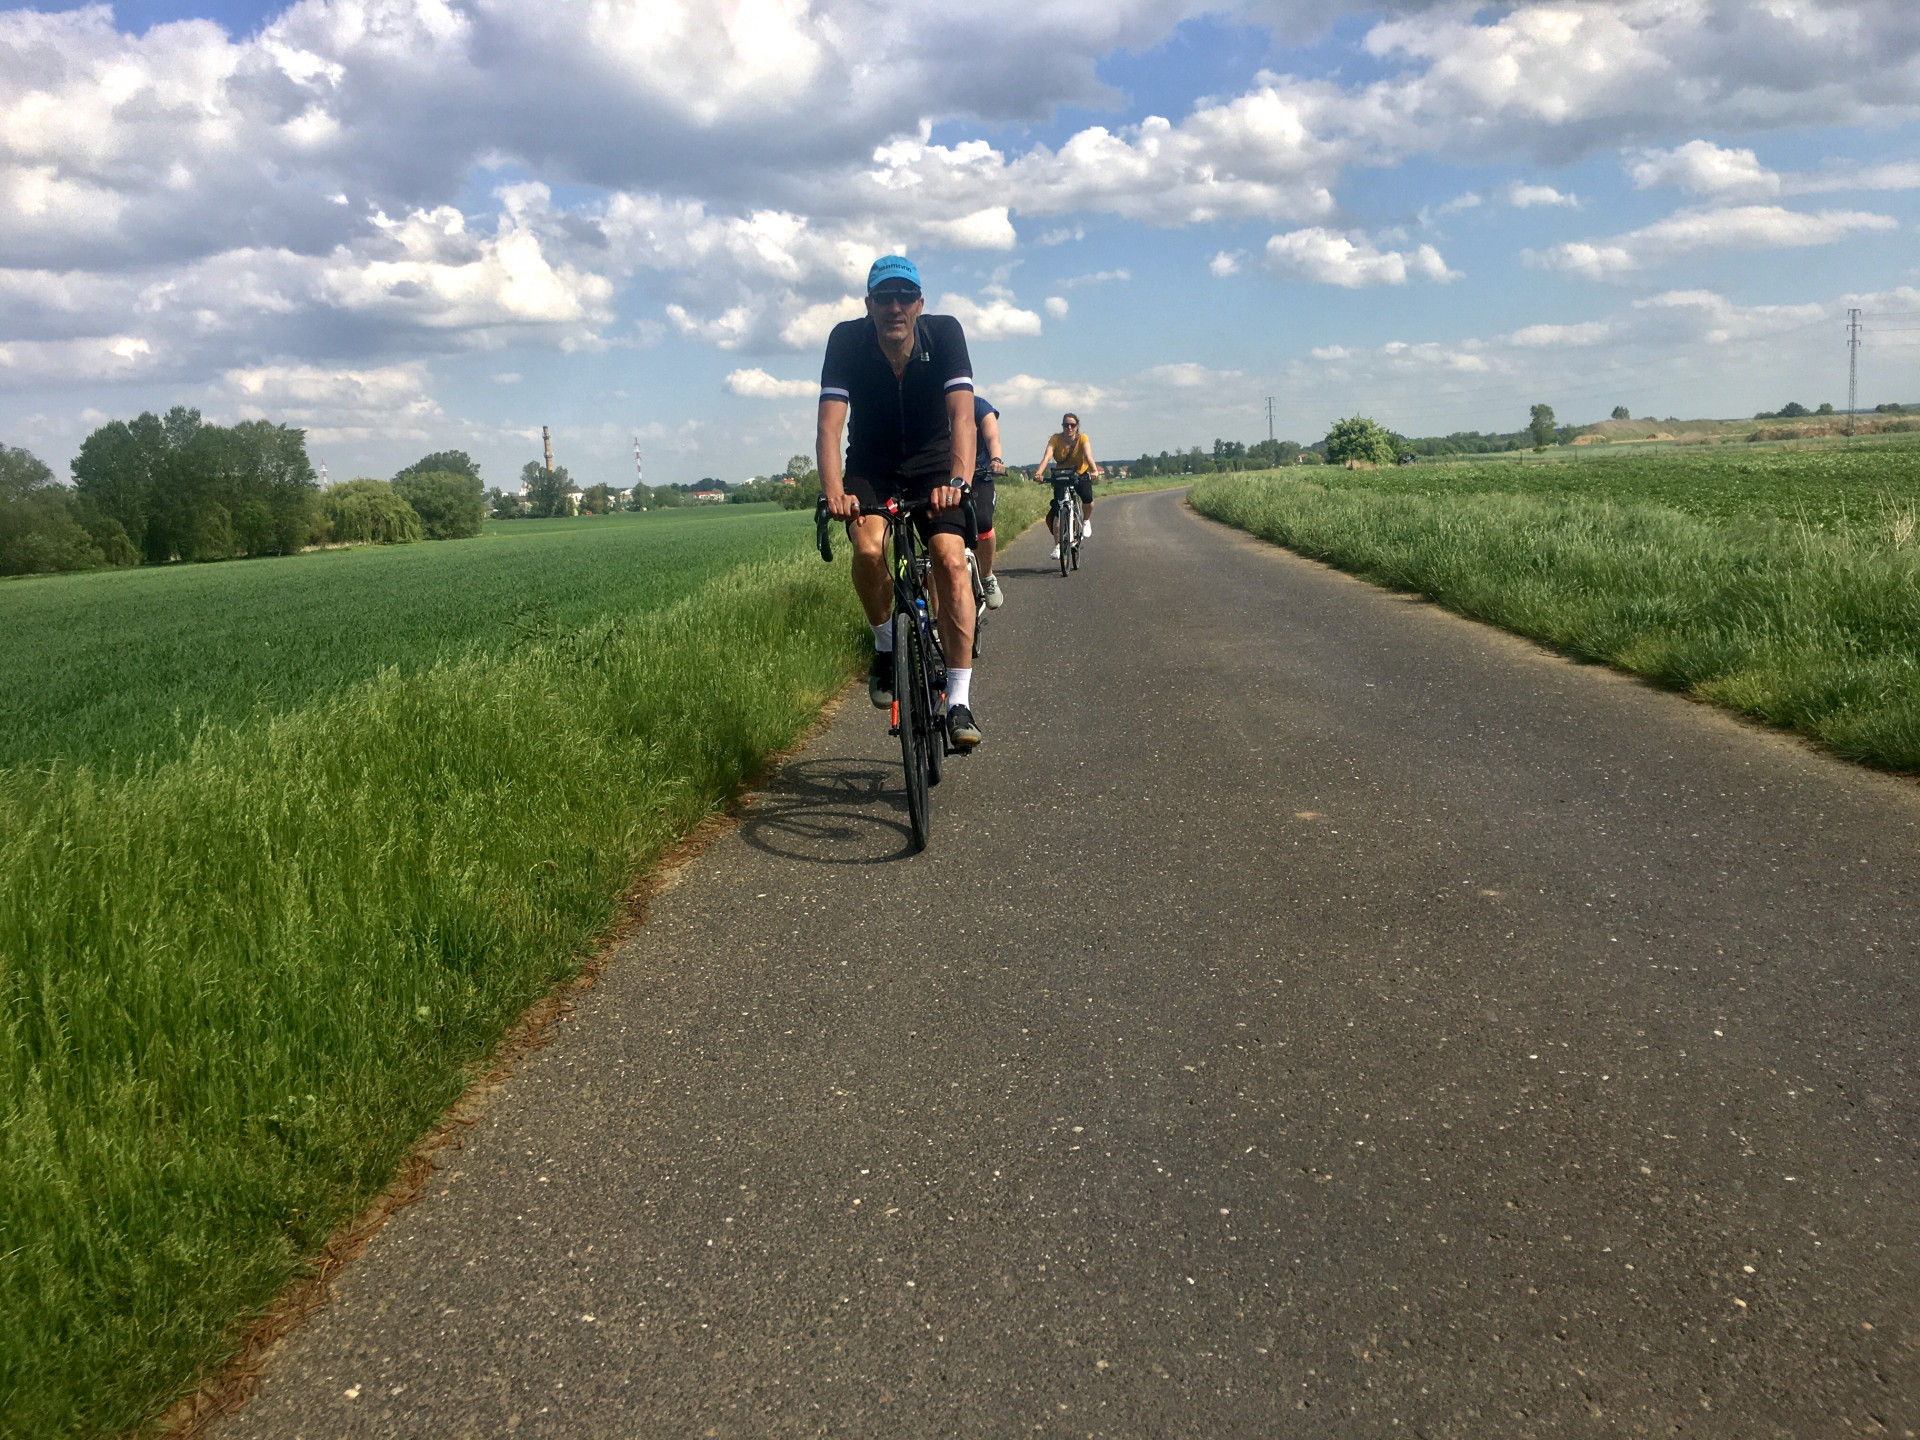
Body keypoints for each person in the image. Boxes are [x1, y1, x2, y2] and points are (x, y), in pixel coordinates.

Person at [818, 255, 983, 748]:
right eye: (885, 297)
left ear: (919, 304)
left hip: (935, 464)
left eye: (905, 296)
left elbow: (963, 418)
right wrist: (834, 492)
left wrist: (958, 480)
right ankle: (887, 644)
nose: (895, 306)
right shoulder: (847, 341)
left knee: (949, 560)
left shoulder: (945, 334)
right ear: (869, 304)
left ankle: (959, 700)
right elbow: (829, 426)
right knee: (868, 548)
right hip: (872, 465)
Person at [1037, 412, 1102, 559]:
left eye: (1072, 425)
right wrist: (1038, 473)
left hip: (1079, 473)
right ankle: (1058, 546)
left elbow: (1088, 456)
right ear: (1062, 426)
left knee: (1088, 500)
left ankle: (1085, 521)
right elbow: (1047, 457)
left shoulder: (1082, 438)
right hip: (1061, 475)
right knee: (1058, 510)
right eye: (1066, 425)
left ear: (1077, 426)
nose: (1069, 428)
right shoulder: (1056, 439)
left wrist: (1094, 471)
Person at [973, 394, 1006, 609]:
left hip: (978, 475)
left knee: (983, 521)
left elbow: (992, 438)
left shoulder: (979, 405)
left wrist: (995, 460)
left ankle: (987, 577)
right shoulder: (932, 406)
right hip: (943, 477)